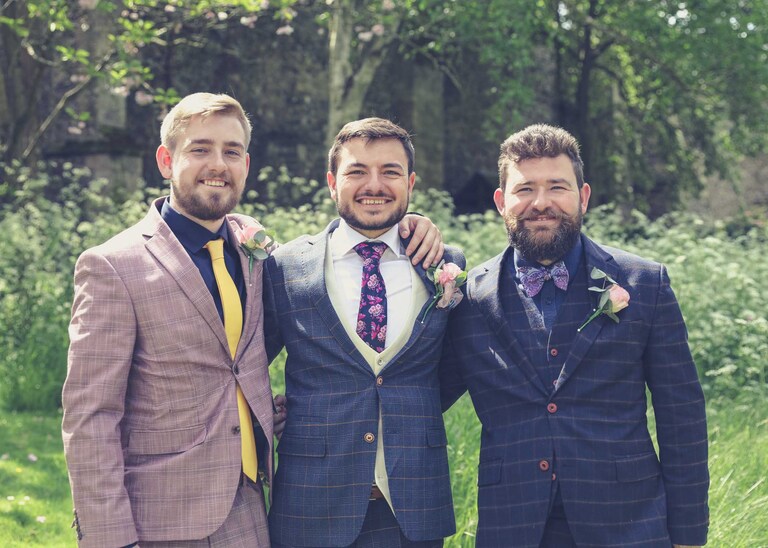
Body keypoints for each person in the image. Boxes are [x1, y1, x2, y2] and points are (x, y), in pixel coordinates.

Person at [61, 94, 440, 547]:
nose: (217, 164)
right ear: (166, 160)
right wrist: (110, 538)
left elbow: (251, 357)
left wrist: (412, 222)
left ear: (246, 163)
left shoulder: (257, 257)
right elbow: (91, 416)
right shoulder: (112, 266)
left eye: (232, 151)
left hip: (250, 512)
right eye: (199, 149)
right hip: (159, 518)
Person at [440, 124, 709, 547]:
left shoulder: (645, 283)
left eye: (557, 187)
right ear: (501, 202)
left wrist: (690, 535)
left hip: (630, 524)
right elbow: (422, 394)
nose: (541, 203)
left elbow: (683, 416)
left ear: (583, 196)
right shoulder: (470, 297)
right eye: (525, 189)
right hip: (512, 526)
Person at [263, 117, 465, 547]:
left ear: (410, 183)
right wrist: (269, 411)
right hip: (310, 502)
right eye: (357, 171)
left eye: (390, 172)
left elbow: (456, 368)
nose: (374, 184)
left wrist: (408, 407)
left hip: (412, 504)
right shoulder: (285, 267)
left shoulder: (444, 263)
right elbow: (244, 363)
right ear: (332, 182)